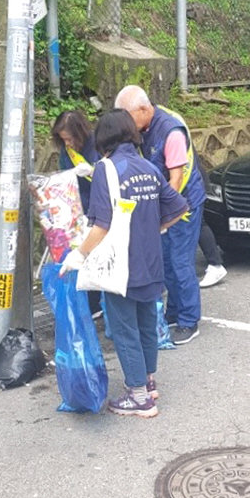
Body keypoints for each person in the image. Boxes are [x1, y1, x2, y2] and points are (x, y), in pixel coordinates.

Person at [60, 109, 187, 417]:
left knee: (123, 326)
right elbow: (178, 207)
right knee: (146, 322)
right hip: (151, 258)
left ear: (103, 136)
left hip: (122, 262)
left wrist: (78, 255)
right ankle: (148, 380)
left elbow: (102, 224)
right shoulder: (147, 166)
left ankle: (139, 397)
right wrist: (150, 229)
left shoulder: (107, 168)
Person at [114, 85, 206, 344]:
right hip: (162, 207)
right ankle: (174, 312)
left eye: (129, 118)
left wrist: (164, 213)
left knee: (180, 262)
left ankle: (189, 320)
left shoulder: (171, 131)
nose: (126, 126)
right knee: (165, 261)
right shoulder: (144, 126)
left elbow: (176, 178)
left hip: (183, 206)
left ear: (143, 109)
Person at [51, 109, 102, 317]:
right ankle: (92, 304)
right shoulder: (66, 151)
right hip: (78, 207)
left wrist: (92, 170)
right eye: (63, 140)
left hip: (98, 207)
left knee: (97, 256)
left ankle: (101, 302)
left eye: (70, 139)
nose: (68, 144)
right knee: (82, 257)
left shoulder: (97, 144)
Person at [197, 162, 226, 287]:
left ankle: (215, 264)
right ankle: (215, 263)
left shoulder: (174, 142)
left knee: (199, 223)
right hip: (194, 181)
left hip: (192, 184)